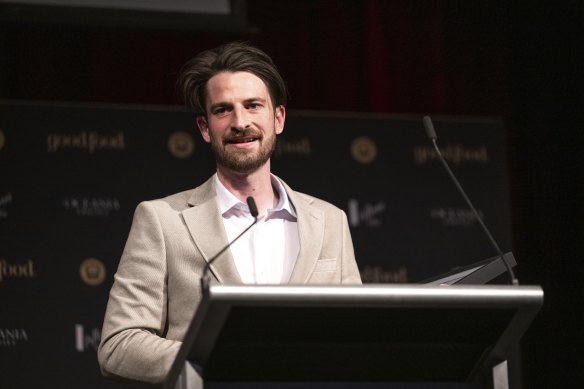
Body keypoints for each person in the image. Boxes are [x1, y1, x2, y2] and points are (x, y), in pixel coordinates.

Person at [97, 41, 362, 384]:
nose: (240, 122)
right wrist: (219, 360)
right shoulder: (162, 220)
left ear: (278, 118)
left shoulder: (330, 221)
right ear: (205, 128)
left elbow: (354, 337)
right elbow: (119, 344)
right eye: (223, 110)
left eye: (253, 106)